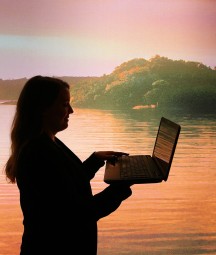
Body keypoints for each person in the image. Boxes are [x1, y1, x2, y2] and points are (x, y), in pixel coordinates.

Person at [4, 76, 132, 255]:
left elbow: (64, 183)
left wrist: (95, 161)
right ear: (43, 108)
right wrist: (121, 186)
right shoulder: (38, 153)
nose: (71, 110)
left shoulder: (47, 141)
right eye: (64, 104)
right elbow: (77, 215)